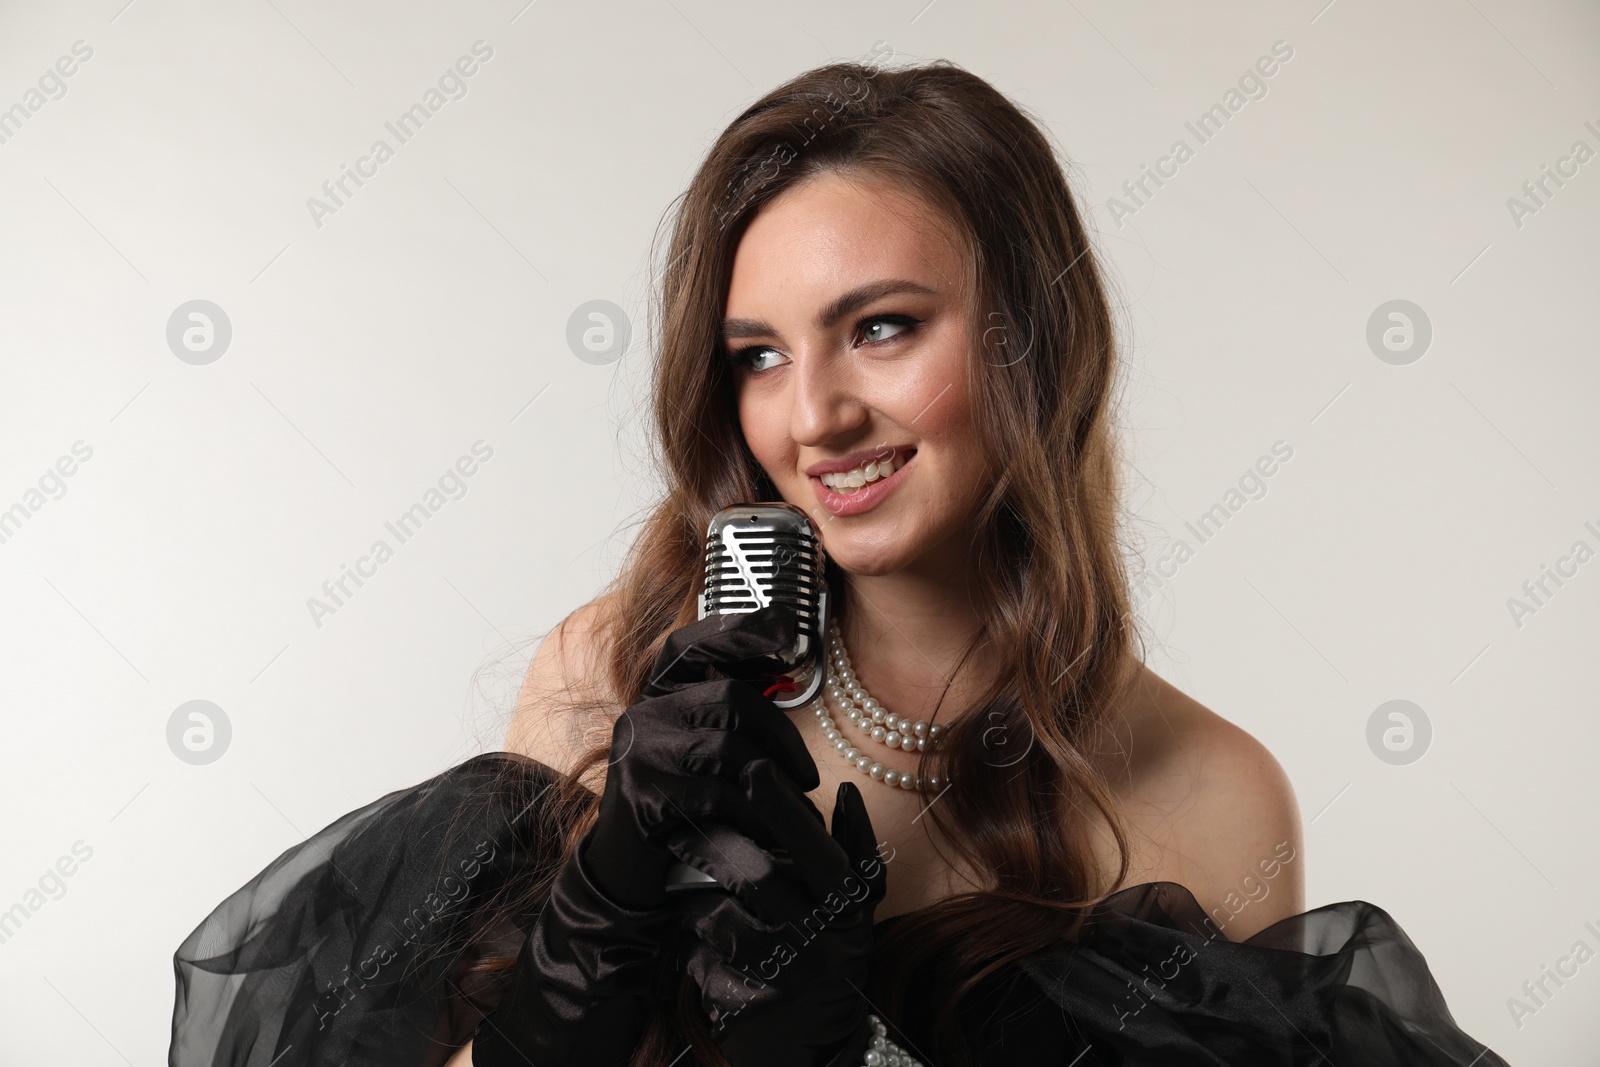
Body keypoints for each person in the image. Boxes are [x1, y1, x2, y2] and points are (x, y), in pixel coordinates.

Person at [170, 56, 1509, 1067]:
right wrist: (595, 924)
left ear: (1035, 344)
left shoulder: (1210, 794)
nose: (811, 415)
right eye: (758, 353)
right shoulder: (613, 677)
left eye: (880, 328)